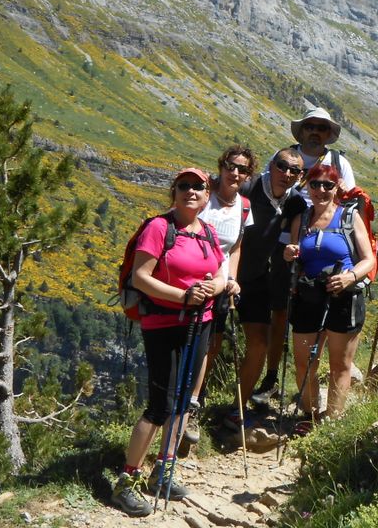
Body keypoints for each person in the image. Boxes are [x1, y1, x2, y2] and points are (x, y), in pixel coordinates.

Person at [111, 169, 226, 518]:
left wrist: (219, 287)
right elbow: (140, 278)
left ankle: (164, 469)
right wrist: (184, 296)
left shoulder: (207, 231)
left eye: (198, 187)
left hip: (200, 322)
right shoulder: (159, 228)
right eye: (184, 186)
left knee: (185, 399)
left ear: (207, 195)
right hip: (163, 324)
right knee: (160, 404)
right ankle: (126, 481)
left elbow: (221, 270)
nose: (191, 191)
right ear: (174, 192)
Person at [248, 107, 357, 409]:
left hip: (324, 247)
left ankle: (310, 380)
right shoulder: (285, 157)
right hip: (284, 244)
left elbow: (352, 201)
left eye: (321, 128)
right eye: (311, 126)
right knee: (280, 310)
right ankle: (274, 376)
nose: (315, 132)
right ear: (302, 130)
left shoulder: (339, 163)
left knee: (316, 308)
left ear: (328, 133)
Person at [282, 163, 375, 431]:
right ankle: (309, 415)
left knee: (340, 364)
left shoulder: (349, 217)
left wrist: (350, 277)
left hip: (343, 296)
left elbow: (368, 259)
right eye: (315, 184)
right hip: (308, 295)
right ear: (307, 187)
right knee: (304, 362)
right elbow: (297, 258)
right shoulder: (301, 220)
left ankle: (332, 421)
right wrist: (289, 255)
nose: (321, 190)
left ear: (336, 189)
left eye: (328, 185)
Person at [181, 146, 256, 447]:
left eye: (242, 169)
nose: (235, 173)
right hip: (189, 283)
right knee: (184, 343)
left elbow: (235, 247)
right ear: (221, 166)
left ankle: (192, 404)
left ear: (248, 175)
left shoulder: (244, 207)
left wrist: (232, 279)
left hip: (220, 287)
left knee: (210, 346)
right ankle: (174, 406)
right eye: (230, 165)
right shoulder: (204, 196)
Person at [227, 146, 306, 429]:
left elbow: (296, 237)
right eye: (282, 166)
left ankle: (237, 408)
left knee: (259, 343)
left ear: (300, 176)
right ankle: (192, 408)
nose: (287, 173)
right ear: (271, 165)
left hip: (256, 278)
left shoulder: (295, 202)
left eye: (294, 170)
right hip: (224, 275)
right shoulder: (247, 188)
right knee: (211, 345)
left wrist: (293, 251)